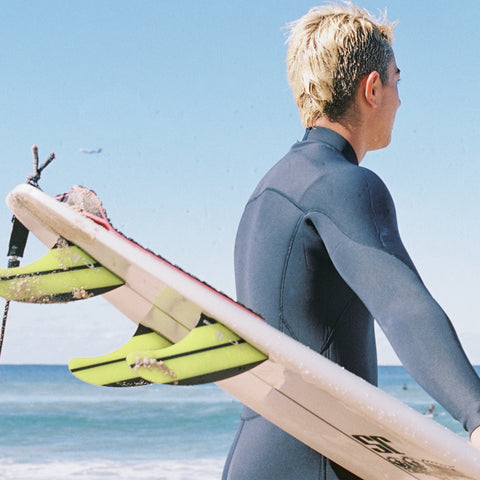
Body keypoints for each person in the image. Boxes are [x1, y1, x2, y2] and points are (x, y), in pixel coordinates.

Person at [222, 4, 480, 480]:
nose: (401, 99)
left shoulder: (266, 194)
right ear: (372, 89)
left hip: (254, 459)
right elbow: (402, 307)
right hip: (318, 462)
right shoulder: (344, 184)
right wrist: (476, 413)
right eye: (398, 81)